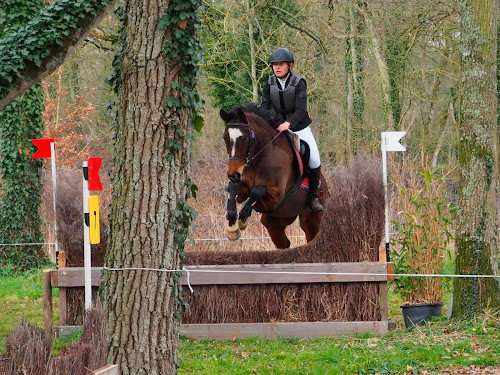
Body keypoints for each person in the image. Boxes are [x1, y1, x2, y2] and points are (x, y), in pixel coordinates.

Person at [261, 47, 324, 212]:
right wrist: (274, 123)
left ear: (290, 65)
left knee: (315, 159)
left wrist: (288, 124)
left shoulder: (299, 82)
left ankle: (313, 197)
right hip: (276, 128)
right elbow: (265, 108)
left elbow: (300, 109)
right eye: (274, 64)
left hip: (299, 127)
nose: (277, 67)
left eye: (281, 64)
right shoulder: (269, 83)